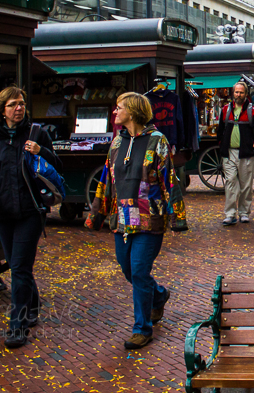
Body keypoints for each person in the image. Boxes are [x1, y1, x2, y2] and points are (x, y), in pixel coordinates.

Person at [0, 86, 60, 349]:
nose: (19, 108)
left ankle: (17, 326)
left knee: (20, 268)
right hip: (3, 213)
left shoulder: (37, 134)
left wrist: (40, 151)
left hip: (30, 211)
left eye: (21, 103)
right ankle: (32, 305)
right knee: (17, 265)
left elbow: (57, 165)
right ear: (2, 110)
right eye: (12, 104)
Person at [89, 92, 175, 350]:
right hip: (121, 218)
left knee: (138, 270)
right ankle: (159, 296)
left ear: (134, 111)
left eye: (119, 108)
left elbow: (169, 179)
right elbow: (106, 181)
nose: (115, 112)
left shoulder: (158, 140)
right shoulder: (116, 143)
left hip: (150, 218)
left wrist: (178, 215)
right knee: (128, 269)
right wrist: (97, 214)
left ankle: (142, 328)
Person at [217, 82, 254, 225]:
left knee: (246, 185)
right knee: (230, 182)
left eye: (241, 92)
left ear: (246, 94)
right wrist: (221, 144)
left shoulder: (253, 111)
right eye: (236, 92)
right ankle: (230, 214)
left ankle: (244, 212)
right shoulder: (225, 109)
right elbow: (220, 129)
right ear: (233, 93)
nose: (238, 95)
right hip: (229, 152)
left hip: (246, 153)